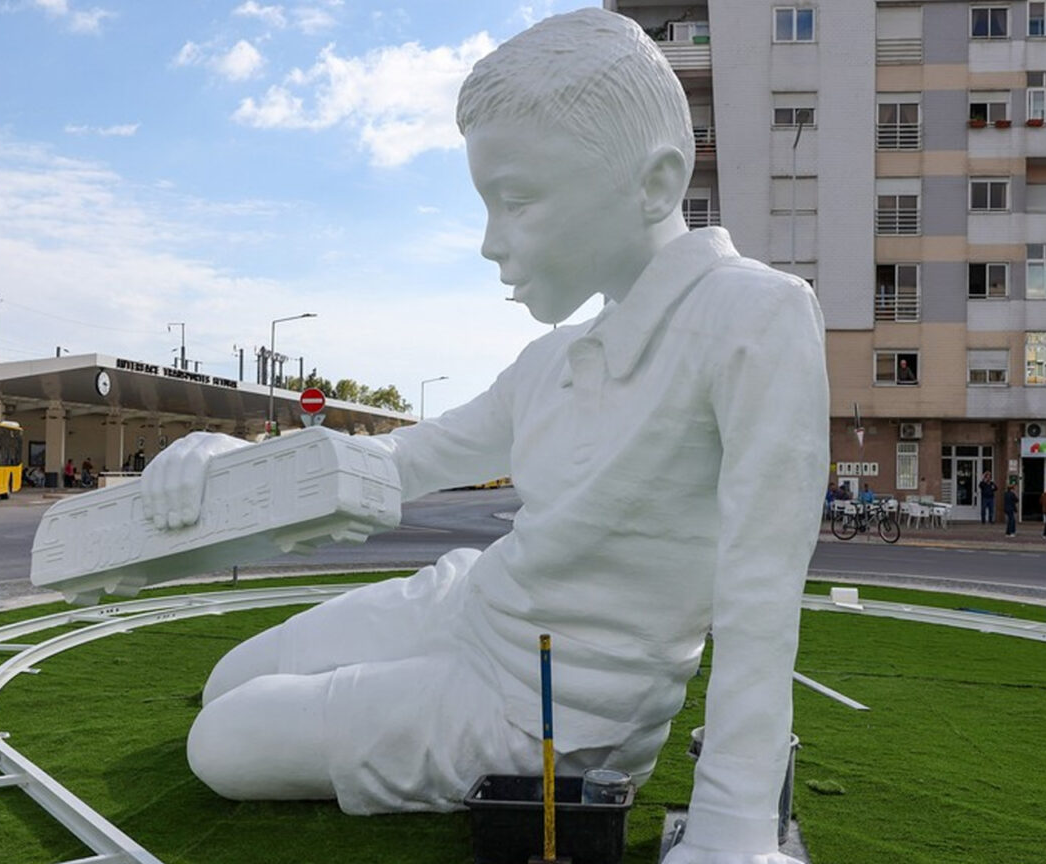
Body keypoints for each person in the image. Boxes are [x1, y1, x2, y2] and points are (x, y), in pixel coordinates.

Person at [138, 11, 826, 863]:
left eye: (519, 200)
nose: (491, 244)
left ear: (654, 184)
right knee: (229, 678)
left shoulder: (756, 318)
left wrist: (731, 825)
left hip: (549, 709)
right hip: (471, 603)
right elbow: (396, 462)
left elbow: (762, 585)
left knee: (225, 740)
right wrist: (235, 465)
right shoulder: (552, 360)